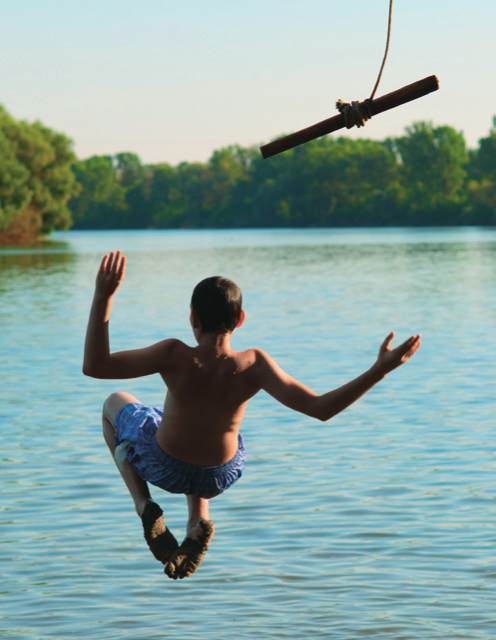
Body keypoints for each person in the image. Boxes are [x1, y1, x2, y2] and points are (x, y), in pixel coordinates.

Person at [83, 250, 421, 580]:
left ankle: (143, 504)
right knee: (204, 433)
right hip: (218, 476)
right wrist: (379, 371)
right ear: (241, 319)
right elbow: (321, 409)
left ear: (192, 318)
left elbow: (95, 366)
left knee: (116, 403)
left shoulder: (174, 354)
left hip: (166, 467)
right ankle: (198, 520)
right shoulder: (254, 365)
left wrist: (103, 297)